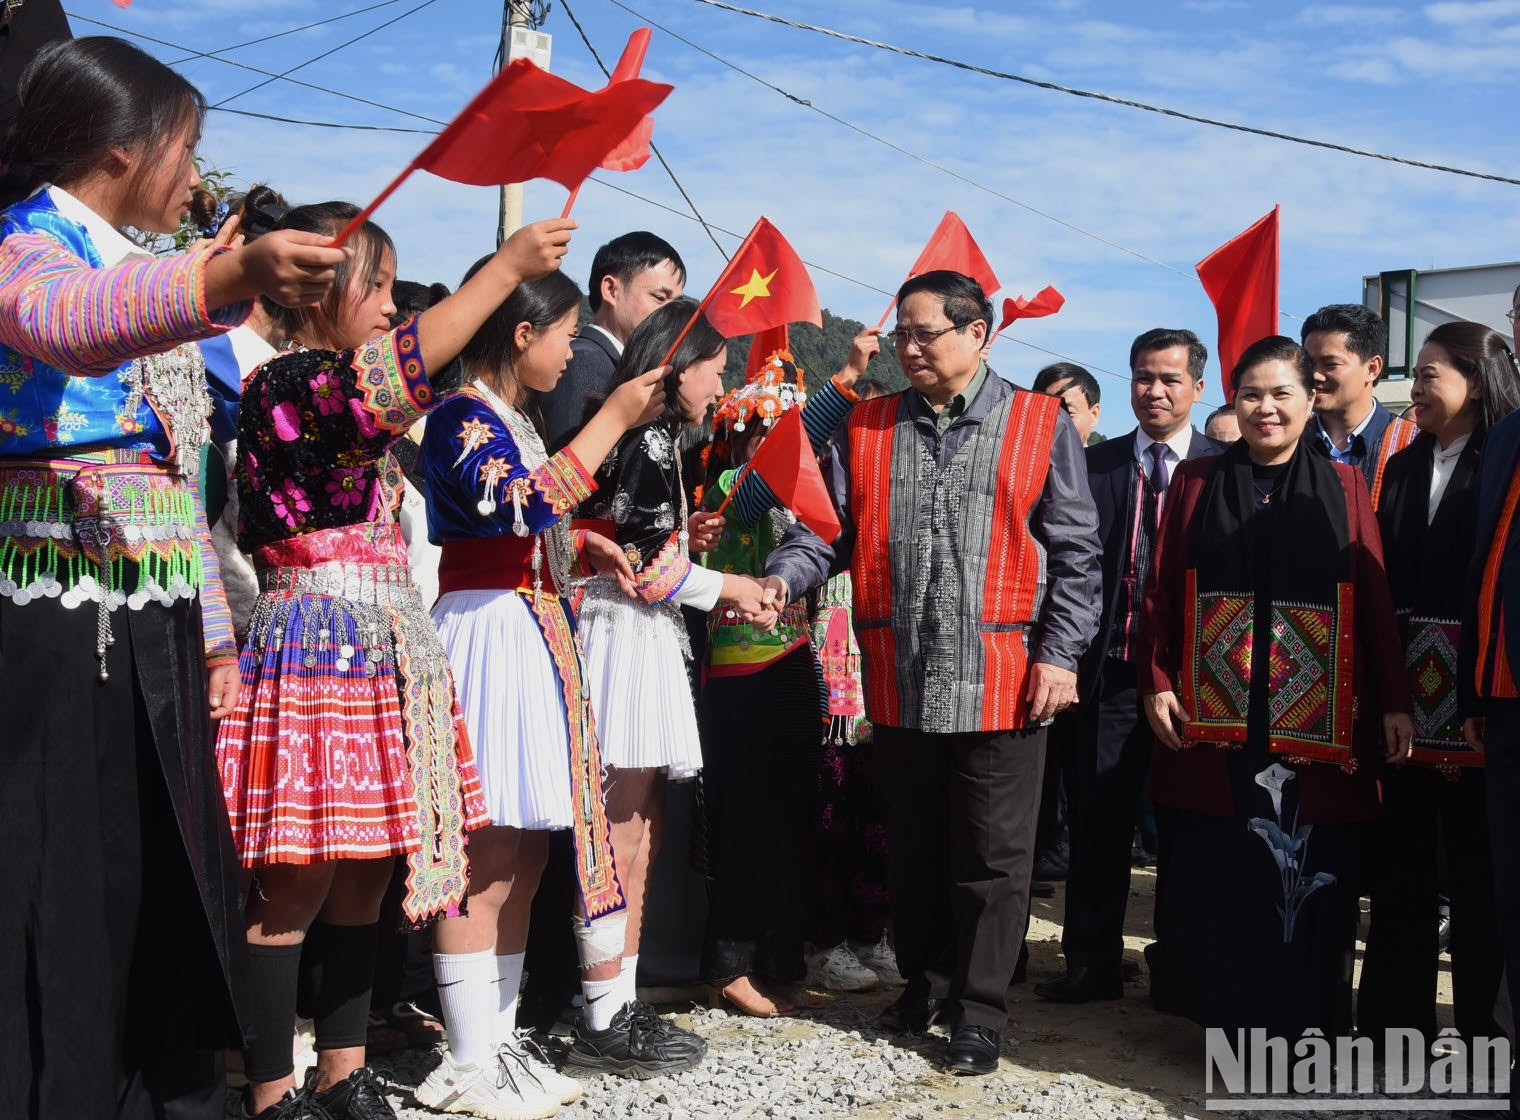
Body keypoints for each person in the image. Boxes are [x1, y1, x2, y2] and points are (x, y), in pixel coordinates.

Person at [0, 36, 347, 1120]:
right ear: (119, 145)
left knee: (158, 881)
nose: (197, 177)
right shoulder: (27, 245)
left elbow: (169, 476)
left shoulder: (135, 265)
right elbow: (65, 328)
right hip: (57, 618)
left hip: (151, 613)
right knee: (65, 881)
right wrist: (227, 275)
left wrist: (209, 637)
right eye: (186, 148)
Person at [216, 202, 577, 1120]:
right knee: (297, 877)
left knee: (369, 874)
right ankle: (271, 1093)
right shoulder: (290, 386)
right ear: (316, 288)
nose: (388, 306)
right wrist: (499, 273)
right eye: (376, 285)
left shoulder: (350, 401)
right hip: (315, 649)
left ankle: (342, 1077)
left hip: (383, 652)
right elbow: (402, 376)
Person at [762, 270, 1102, 1075]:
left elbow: (1079, 554)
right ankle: (926, 982)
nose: (908, 348)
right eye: (903, 334)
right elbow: (825, 531)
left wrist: (1060, 652)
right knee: (913, 849)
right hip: (901, 671)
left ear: (976, 333)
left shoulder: (1037, 422)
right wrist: (781, 577)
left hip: (1004, 677)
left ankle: (979, 1012)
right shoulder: (870, 425)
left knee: (993, 858)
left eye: (925, 334)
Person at [414, 265, 678, 1116]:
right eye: (565, 334)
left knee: (525, 856)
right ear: (522, 334)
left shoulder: (513, 419)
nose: (573, 353)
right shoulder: (458, 415)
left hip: (531, 631)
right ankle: (465, 1058)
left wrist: (585, 543)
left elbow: (543, 522)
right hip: (489, 632)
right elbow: (517, 508)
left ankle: (498, 1044)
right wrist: (612, 420)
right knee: (486, 853)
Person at [1140, 335, 1413, 1046]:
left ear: (1310, 398)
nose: (1265, 408)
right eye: (1252, 394)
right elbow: (1162, 594)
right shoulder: (1199, 483)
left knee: (1306, 874)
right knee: (1224, 872)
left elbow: (1375, 600)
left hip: (1316, 723)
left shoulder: (1347, 486)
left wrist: (1392, 701)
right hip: (1217, 720)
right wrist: (1158, 682)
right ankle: (1225, 1028)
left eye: (1281, 393)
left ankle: (1301, 1030)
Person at [571, 297, 770, 1068]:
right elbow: (650, 571)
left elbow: (642, 544)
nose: (722, 388)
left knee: (639, 826)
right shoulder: (647, 439)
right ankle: (603, 1014)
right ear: (678, 366)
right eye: (717, 371)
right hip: (621, 635)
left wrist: (690, 546)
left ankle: (615, 1004)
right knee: (622, 829)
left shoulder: (651, 439)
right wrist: (732, 587)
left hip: (632, 634)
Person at [1037, 328, 1223, 1004]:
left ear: (1199, 388)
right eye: (1144, 377)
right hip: (1108, 671)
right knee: (1099, 820)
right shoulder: (1096, 464)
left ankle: (1179, 967)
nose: (1156, 391)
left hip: (1193, 682)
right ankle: (1090, 963)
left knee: (1185, 827)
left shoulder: (1223, 465)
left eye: (1170, 379)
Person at [697, 335, 875, 1013]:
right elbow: (768, 479)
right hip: (736, 679)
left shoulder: (803, 502)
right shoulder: (726, 493)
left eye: (787, 434)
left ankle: (780, 960)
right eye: (767, 433)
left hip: (793, 664)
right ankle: (727, 964)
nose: (783, 447)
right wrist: (847, 382)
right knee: (743, 824)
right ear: (741, 439)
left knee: (797, 818)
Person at [1360, 323, 1519, 1046]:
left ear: (1476, 382)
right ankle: (1395, 1029)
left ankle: (1484, 1038)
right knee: (1401, 866)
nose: (1415, 390)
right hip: (1406, 698)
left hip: (1477, 689)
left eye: (1429, 376)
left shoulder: (1503, 461)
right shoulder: (1401, 463)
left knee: (1482, 872)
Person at [539, 230, 685, 450]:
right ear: (611, 289)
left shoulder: (615, 367)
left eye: (676, 304)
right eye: (660, 298)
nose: (671, 315)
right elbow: (566, 472)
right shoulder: (582, 363)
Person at [1302, 303, 1417, 508]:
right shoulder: (1291, 441)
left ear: (1372, 368)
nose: (1315, 375)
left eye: (1330, 364)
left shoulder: (1413, 444)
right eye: (1309, 364)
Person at [1033, 361, 1102, 444]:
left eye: (1067, 413)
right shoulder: (1018, 455)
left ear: (1094, 415)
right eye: (1044, 413)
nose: (1056, 424)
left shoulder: (1109, 456)